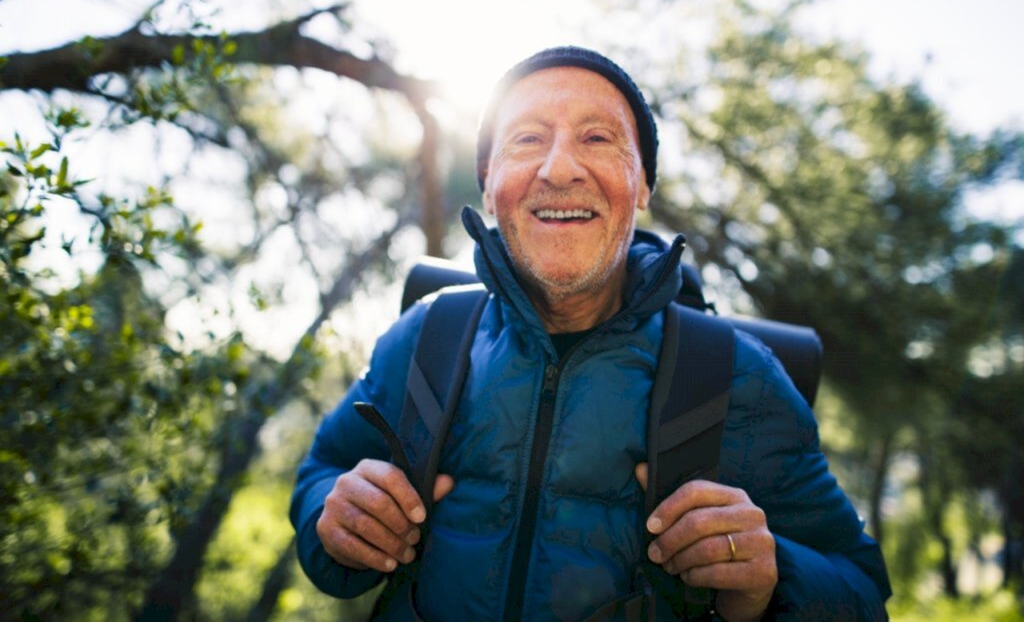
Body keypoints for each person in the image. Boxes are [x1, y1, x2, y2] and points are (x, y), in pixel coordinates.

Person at [290, 46, 891, 620]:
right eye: (527, 139)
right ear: (489, 182)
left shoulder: (736, 373)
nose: (559, 168)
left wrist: (770, 579)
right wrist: (331, 516)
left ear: (643, 186)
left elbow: (860, 589)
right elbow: (324, 467)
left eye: (597, 138)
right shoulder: (426, 337)